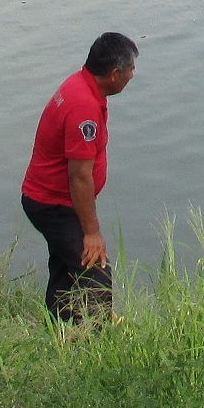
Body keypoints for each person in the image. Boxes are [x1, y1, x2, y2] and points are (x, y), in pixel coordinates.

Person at [19, 32, 138, 322]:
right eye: (131, 70)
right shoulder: (83, 105)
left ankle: (59, 331)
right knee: (96, 271)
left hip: (51, 199)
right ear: (114, 74)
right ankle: (97, 345)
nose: (132, 76)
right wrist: (92, 233)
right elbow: (80, 176)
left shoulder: (80, 85)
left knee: (65, 269)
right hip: (52, 203)